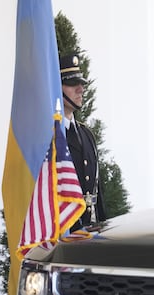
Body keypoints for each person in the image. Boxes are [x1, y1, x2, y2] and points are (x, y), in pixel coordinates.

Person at [60, 53, 104, 228]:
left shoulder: (86, 134)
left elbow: (97, 192)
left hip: (90, 230)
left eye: (81, 84)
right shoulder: (49, 137)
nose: (81, 89)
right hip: (64, 231)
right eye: (72, 84)